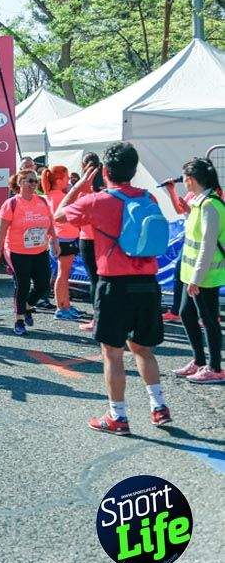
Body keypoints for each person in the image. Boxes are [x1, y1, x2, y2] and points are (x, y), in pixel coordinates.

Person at [55, 142, 171, 434]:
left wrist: (81, 184)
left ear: (105, 171)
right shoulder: (150, 199)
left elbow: (58, 215)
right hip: (147, 282)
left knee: (113, 353)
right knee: (143, 349)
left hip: (114, 285)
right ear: (133, 171)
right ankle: (158, 407)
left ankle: (117, 416)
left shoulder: (97, 201)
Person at [174, 158, 225, 384]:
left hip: (204, 275)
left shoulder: (210, 205)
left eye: (185, 177)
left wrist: (196, 278)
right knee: (186, 313)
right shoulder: (199, 202)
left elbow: (207, 244)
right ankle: (199, 360)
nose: (183, 182)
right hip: (192, 274)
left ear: (191, 179)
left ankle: (214, 367)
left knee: (209, 319)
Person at [0, 170, 57, 336]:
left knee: (43, 285)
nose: (34, 184)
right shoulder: (11, 203)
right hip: (17, 250)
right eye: (29, 181)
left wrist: (55, 241)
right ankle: (19, 319)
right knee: (23, 284)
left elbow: (50, 223)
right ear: (19, 183)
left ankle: (27, 306)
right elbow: (1, 229)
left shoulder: (42, 201)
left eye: (35, 181)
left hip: (40, 249)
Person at [42, 166, 84, 321]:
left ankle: (65, 304)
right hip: (64, 238)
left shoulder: (50, 196)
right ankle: (61, 307)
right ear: (59, 180)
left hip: (61, 239)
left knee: (62, 274)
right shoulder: (61, 197)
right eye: (66, 178)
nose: (69, 181)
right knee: (63, 274)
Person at [75, 152, 103, 332]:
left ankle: (97, 319)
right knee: (104, 279)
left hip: (88, 238)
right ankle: (105, 317)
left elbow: (74, 217)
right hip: (106, 238)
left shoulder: (83, 191)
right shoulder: (106, 186)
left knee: (95, 280)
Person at [161, 177, 195, 322]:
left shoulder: (213, 194)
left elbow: (211, 218)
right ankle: (176, 311)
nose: (184, 180)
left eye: (186, 176)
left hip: (201, 241)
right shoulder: (192, 193)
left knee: (200, 279)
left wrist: (191, 211)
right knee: (179, 274)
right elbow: (180, 210)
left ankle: (211, 315)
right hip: (189, 240)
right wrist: (171, 190)